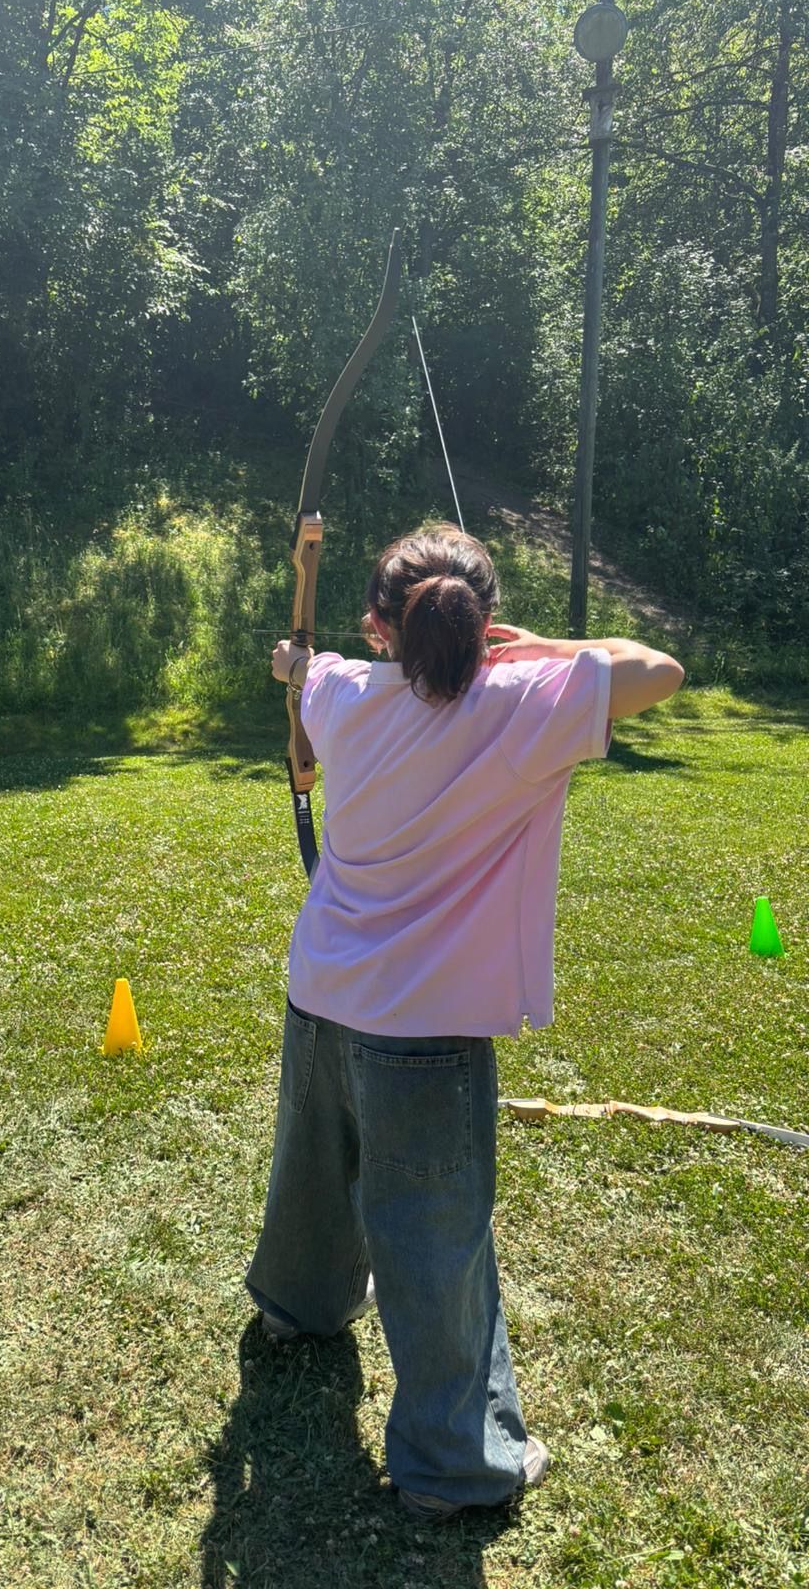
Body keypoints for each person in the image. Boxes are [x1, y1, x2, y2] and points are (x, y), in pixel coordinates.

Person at [246, 523, 684, 1520]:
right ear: (487, 623)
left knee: (314, 1167)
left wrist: (298, 659)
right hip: (426, 1029)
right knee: (434, 1234)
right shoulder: (523, 700)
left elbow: (300, 668)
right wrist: (532, 649)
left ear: (378, 625)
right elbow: (658, 668)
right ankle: (451, 1464)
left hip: (322, 989)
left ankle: (297, 1308)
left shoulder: (342, 691)